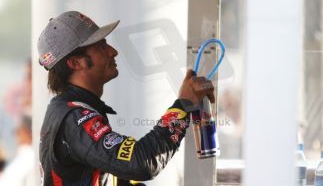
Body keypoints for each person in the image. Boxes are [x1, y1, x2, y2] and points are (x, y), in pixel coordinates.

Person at [37, 11, 215, 186]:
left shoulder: (74, 110)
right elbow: (142, 163)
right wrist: (183, 106)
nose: (113, 52)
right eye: (100, 46)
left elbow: (107, 168)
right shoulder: (74, 117)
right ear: (75, 63)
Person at [0, 115, 34, 186]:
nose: (17, 136)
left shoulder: (29, 156)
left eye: (19, 132)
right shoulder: (23, 156)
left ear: (28, 132)